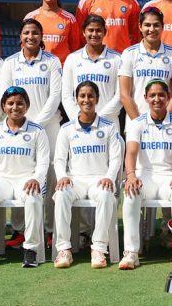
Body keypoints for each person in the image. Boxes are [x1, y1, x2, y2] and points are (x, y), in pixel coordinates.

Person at [0, 18, 62, 249]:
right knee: (20, 173)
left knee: (50, 177)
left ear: (41, 37)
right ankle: (20, 229)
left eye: (35, 33)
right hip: (16, 126)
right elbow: (4, 95)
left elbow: (54, 97)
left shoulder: (52, 62)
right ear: (20, 37)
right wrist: (17, 121)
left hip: (47, 127)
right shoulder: (10, 63)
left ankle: (50, 229)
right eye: (26, 33)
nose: (30, 37)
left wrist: (35, 124)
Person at [120, 79, 172, 269]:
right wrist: (131, 175)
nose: (157, 99)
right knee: (131, 193)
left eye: (161, 95)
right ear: (145, 98)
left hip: (170, 175)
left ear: (168, 98)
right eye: (152, 95)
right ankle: (131, 252)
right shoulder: (137, 123)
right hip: (146, 176)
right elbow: (131, 152)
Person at [53, 81, 124, 269]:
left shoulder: (109, 127)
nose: (86, 100)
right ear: (76, 99)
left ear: (97, 99)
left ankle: (99, 248)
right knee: (61, 194)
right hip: (75, 179)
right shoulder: (66, 128)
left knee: (105, 194)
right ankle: (64, 249)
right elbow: (59, 159)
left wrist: (109, 176)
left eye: (90, 96)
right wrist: (62, 176)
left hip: (99, 179)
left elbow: (116, 158)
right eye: (82, 96)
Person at [0, 86, 50, 269]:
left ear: (27, 106)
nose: (15, 107)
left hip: (26, 180)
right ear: (3, 106)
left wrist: (36, 179)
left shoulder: (37, 131)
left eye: (20, 103)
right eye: (10, 103)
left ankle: (31, 249)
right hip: (1, 181)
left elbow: (43, 163)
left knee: (33, 197)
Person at [119, 7, 172, 128]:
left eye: (156, 25)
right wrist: (140, 124)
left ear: (162, 26)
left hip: (166, 125)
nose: (152, 29)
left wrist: (163, 122)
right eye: (147, 25)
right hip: (135, 124)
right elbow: (124, 95)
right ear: (140, 27)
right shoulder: (129, 53)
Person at [62, 15, 122, 126]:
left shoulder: (117, 59)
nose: (94, 34)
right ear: (84, 32)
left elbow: (120, 95)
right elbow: (66, 95)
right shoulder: (72, 59)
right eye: (90, 30)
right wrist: (80, 118)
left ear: (105, 32)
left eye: (98, 30)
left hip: (109, 124)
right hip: (79, 125)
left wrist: (99, 119)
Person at [24, 0, 80, 64]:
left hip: (61, 72)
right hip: (37, 70)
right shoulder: (30, 18)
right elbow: (24, 47)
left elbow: (75, 49)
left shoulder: (69, 19)